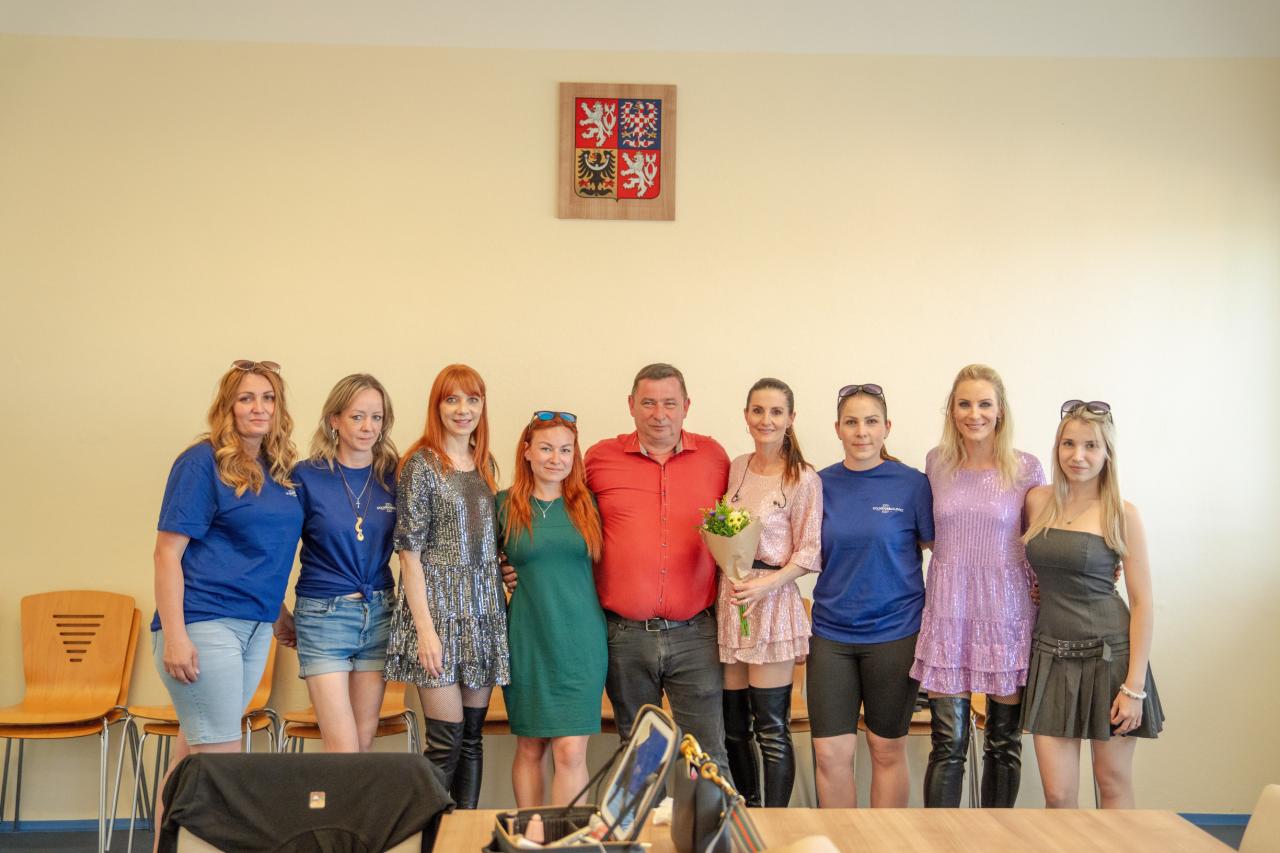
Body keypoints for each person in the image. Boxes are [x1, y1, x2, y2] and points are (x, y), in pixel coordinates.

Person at [150, 360, 303, 844]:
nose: (259, 407)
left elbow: (259, 553)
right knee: (222, 767)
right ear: (228, 406)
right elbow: (166, 554)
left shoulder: (278, 469)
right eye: (246, 398)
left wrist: (278, 613)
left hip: (255, 628)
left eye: (268, 398)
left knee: (192, 758)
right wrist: (176, 636)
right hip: (205, 624)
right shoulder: (202, 461)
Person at [584, 363, 732, 773]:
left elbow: (741, 522)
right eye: (648, 403)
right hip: (625, 637)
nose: (659, 414)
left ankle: (708, 819)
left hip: (696, 635)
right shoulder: (599, 459)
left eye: (669, 403)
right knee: (640, 758)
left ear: (686, 406)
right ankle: (645, 820)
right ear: (631, 405)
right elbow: (564, 517)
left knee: (707, 755)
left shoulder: (715, 458)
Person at [910, 364, 1045, 808]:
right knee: (947, 743)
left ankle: (995, 836)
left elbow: (1043, 536)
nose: (974, 414)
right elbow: (929, 532)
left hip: (1006, 614)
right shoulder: (936, 462)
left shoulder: (1026, 467)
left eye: (984, 404)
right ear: (951, 410)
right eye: (964, 404)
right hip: (949, 610)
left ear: (1000, 410)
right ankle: (941, 838)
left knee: (1003, 742)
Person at [1021, 400, 1163, 808]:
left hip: (1110, 660)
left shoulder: (1123, 514)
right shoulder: (1036, 500)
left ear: (1107, 453)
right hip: (1051, 657)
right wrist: (1042, 588)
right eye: (1069, 444)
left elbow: (1143, 602)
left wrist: (1134, 688)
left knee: (1112, 782)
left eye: (1091, 445)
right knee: (1057, 794)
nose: (1078, 455)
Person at [383, 364, 508, 809]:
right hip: (436, 614)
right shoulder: (420, 465)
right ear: (437, 406)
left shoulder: (485, 464)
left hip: (482, 614)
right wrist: (426, 631)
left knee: (472, 738)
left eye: (472, 399)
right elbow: (409, 554)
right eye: (452, 399)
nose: (463, 409)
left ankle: (465, 831)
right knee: (445, 741)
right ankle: (428, 833)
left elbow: (488, 542)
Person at [809, 384, 933, 809]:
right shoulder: (817, 484)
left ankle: (885, 840)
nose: (861, 431)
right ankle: (841, 839)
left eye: (871, 421)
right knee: (830, 755)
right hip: (831, 636)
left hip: (895, 634)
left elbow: (945, 553)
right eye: (851, 422)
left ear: (887, 427)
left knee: (886, 749)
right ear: (837, 429)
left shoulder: (913, 485)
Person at [275, 374, 399, 753]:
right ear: (335, 420)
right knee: (343, 748)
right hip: (324, 614)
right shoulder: (305, 477)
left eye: (376, 418)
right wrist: (276, 611)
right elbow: (275, 549)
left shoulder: (393, 476)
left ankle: (347, 799)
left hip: (380, 612)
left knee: (363, 742)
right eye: (357, 417)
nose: (368, 427)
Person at [719, 378, 820, 807]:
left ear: (791, 419)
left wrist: (768, 584)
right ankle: (748, 809)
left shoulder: (803, 478)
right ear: (746, 416)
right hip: (733, 600)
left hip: (774, 601)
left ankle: (776, 821)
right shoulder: (737, 466)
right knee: (733, 728)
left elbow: (809, 551)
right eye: (758, 411)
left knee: (771, 728)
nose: (766, 420)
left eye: (776, 412)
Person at [498, 410, 607, 807]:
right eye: (546, 448)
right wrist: (501, 571)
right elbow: (475, 566)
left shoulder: (589, 505)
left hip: (581, 643)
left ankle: (566, 837)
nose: (555, 458)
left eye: (565, 450)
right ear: (527, 451)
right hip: (528, 640)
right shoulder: (503, 505)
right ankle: (531, 833)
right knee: (531, 747)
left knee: (570, 751)